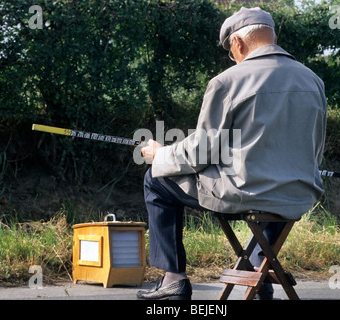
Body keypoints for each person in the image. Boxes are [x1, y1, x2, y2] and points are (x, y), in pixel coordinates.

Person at [137, 7, 326, 300]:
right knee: (272, 189)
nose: (233, 57)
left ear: (238, 43)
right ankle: (257, 268)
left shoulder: (228, 82)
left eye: (231, 51)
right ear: (273, 37)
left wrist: (162, 154)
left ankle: (173, 279)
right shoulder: (313, 81)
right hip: (299, 194)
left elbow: (201, 152)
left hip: (246, 193)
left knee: (156, 179)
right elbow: (316, 149)